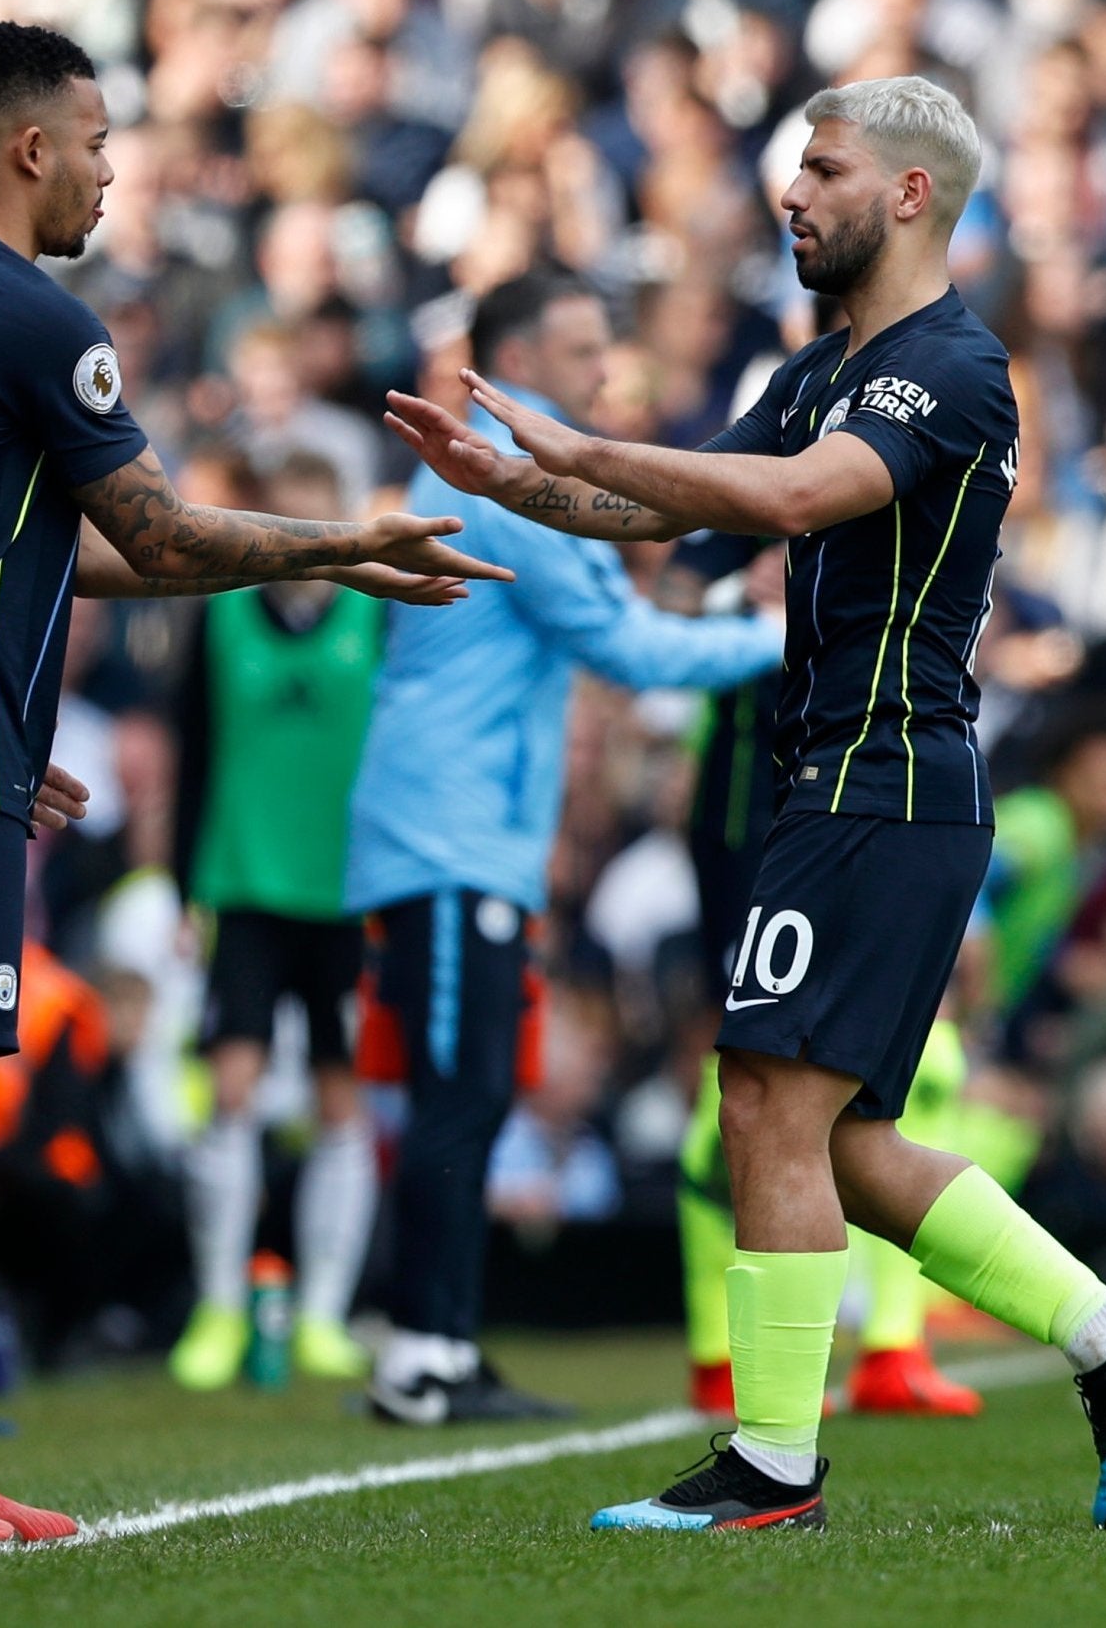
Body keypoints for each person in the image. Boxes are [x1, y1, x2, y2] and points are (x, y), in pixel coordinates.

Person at [387, 76, 1106, 1532]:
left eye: (822, 168)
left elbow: (784, 502)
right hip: (845, 778)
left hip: (884, 775)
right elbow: (675, 508)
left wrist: (575, 448)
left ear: (908, 194)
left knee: (765, 1098)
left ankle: (771, 1468)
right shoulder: (824, 366)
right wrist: (514, 482)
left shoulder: (946, 366)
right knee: (834, 1137)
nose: (792, 193)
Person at [0, 20, 507, 1545]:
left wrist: (5, 704)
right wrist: (336, 544)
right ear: (32, 147)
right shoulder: (37, 316)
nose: (115, 170)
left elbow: (54, 551)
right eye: (101, 141)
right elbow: (162, 531)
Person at [349, 267, 783, 1427]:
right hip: (446, 835)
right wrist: (776, 635)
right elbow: (628, 647)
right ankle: (422, 1354)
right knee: (458, 1091)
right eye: (585, 349)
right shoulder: (498, 490)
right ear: (518, 361)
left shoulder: (504, 481)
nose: (606, 373)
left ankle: (439, 1340)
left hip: (467, 832)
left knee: (474, 1090)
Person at [167, 453, 387, 1392]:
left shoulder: (376, 616)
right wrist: (185, 887)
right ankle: (219, 1305)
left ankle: (326, 1317)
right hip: (246, 886)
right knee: (232, 1093)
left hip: (345, 895)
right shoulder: (218, 616)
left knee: (342, 1101)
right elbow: (192, 753)